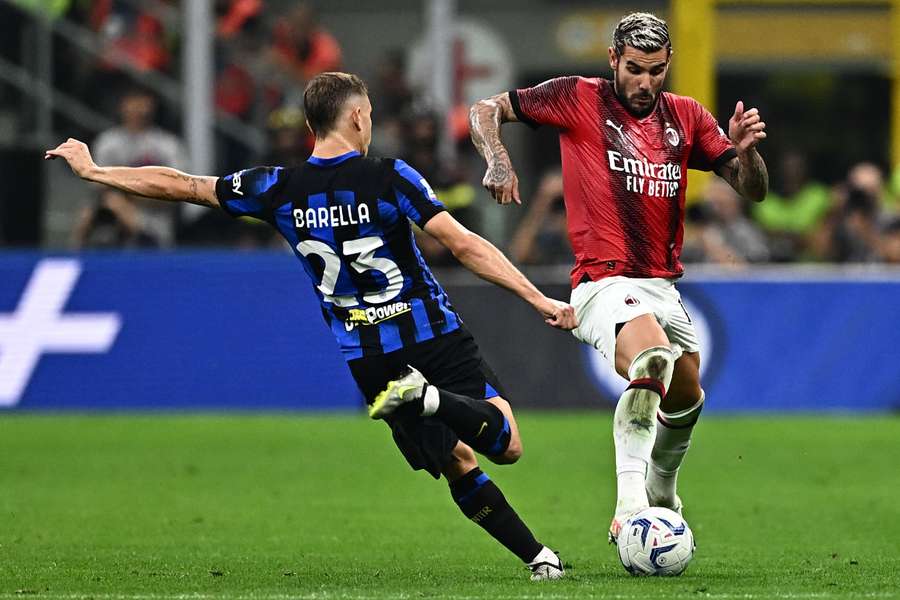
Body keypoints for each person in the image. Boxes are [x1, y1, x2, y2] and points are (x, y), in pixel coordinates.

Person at [47, 72, 576, 581]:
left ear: (310, 125)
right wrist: (534, 296)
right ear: (357, 117)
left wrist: (97, 172)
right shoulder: (390, 177)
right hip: (431, 333)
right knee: (505, 445)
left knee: (458, 460)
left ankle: (539, 558)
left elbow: (183, 184)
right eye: (367, 116)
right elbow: (463, 245)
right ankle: (433, 400)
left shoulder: (278, 188)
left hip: (370, 360)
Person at [469, 12, 768, 544]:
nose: (645, 82)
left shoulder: (687, 116)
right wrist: (497, 158)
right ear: (613, 61)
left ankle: (663, 493)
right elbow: (486, 108)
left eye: (655, 70)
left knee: (686, 399)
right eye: (634, 69)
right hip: (602, 282)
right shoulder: (578, 97)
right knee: (652, 359)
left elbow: (752, 189)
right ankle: (631, 510)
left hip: (661, 284)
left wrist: (748, 156)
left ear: (668, 65)